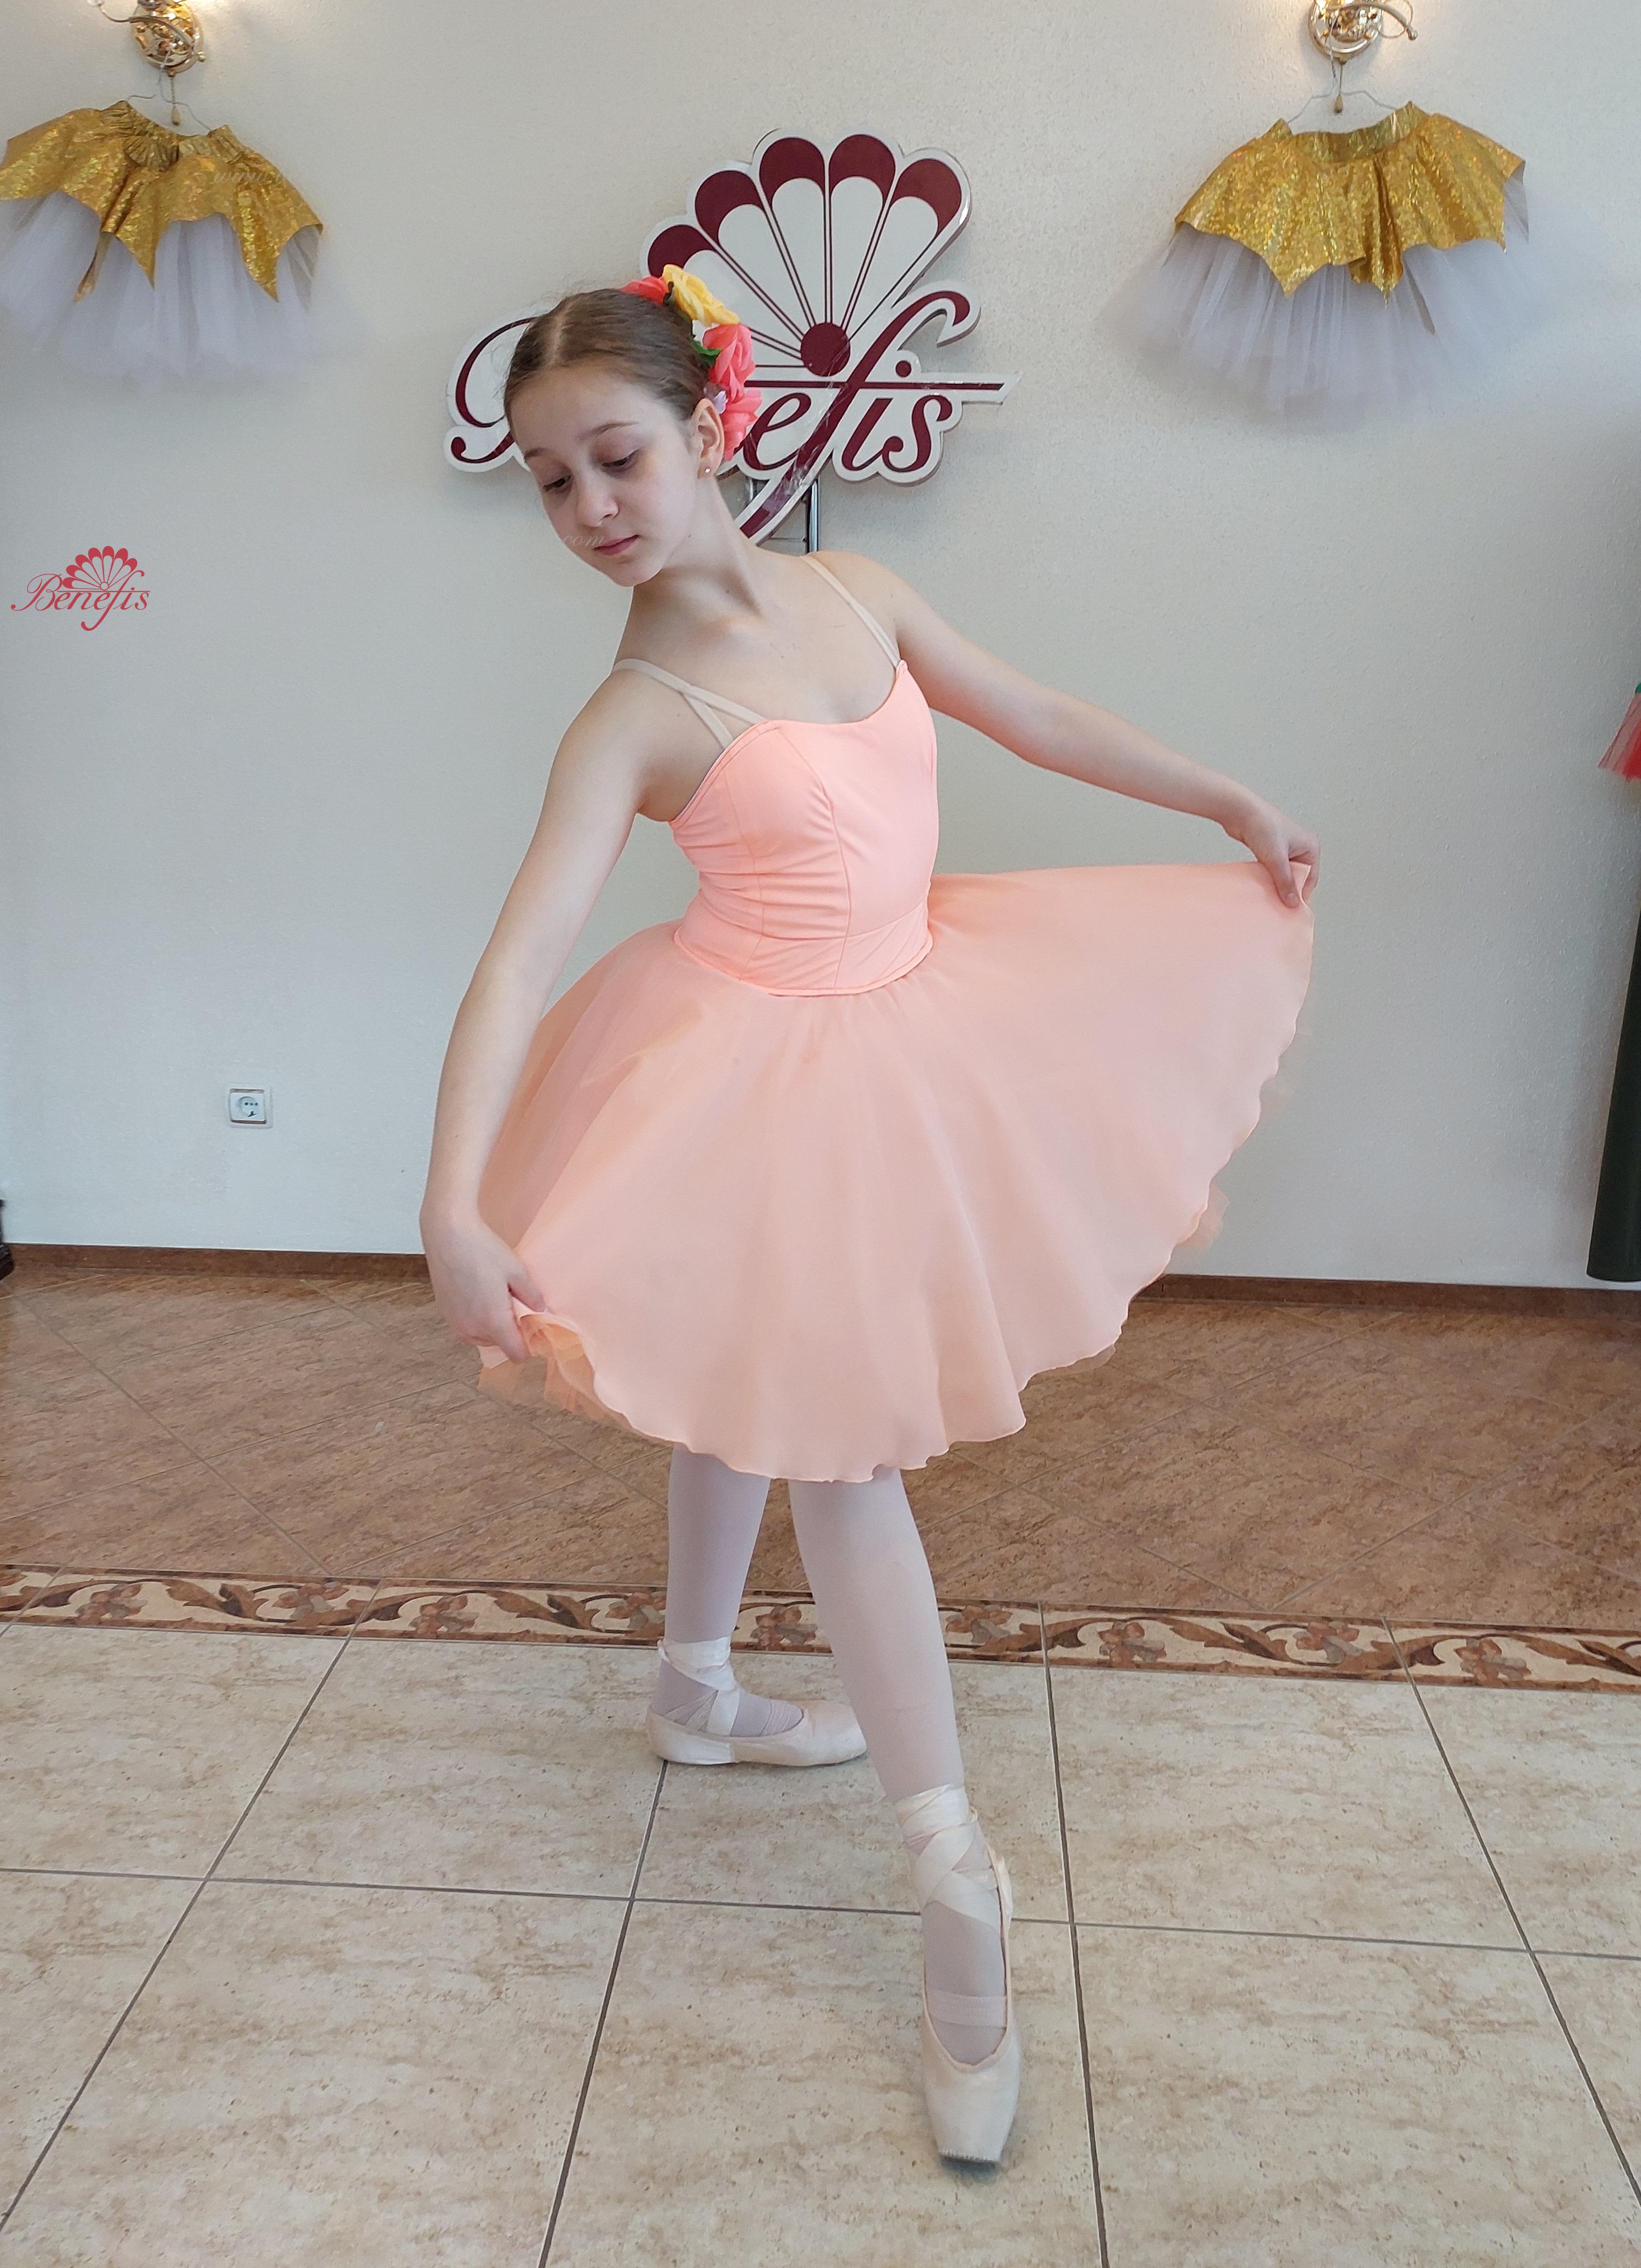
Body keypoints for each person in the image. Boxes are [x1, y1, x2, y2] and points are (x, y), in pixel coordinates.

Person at [419, 268, 1317, 2166]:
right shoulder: (630, 716)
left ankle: (694, 1689)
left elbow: (1035, 714)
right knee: (831, 1444)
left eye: (615, 456)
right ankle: (951, 1879)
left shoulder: (855, 591)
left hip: (921, 1023)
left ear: (709, 427)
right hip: (756, 1069)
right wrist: (449, 1204)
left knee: (754, 1396)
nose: (588, 508)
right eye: (549, 481)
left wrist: (1220, 795)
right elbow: (512, 965)